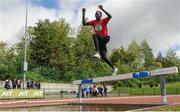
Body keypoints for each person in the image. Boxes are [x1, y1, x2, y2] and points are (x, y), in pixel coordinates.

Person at [82, 5, 118, 75]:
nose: (96, 15)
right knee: (104, 57)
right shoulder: (93, 22)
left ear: (100, 15)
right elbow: (84, 23)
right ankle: (114, 68)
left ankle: (97, 52)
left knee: (95, 35)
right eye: (95, 14)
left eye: (98, 14)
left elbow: (110, 16)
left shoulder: (104, 20)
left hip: (105, 38)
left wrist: (103, 9)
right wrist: (83, 14)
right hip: (101, 42)